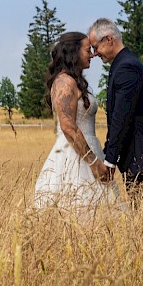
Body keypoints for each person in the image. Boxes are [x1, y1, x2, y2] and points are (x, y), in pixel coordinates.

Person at [32, 32, 119, 209]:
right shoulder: (65, 82)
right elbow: (68, 127)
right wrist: (94, 163)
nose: (92, 54)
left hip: (87, 149)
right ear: (74, 52)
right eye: (87, 50)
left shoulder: (73, 81)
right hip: (74, 156)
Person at [87, 18, 143, 196]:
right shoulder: (123, 64)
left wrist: (110, 160)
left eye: (95, 47)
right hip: (138, 158)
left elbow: (121, 118)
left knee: (142, 219)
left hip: (141, 159)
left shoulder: (126, 68)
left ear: (108, 40)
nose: (94, 53)